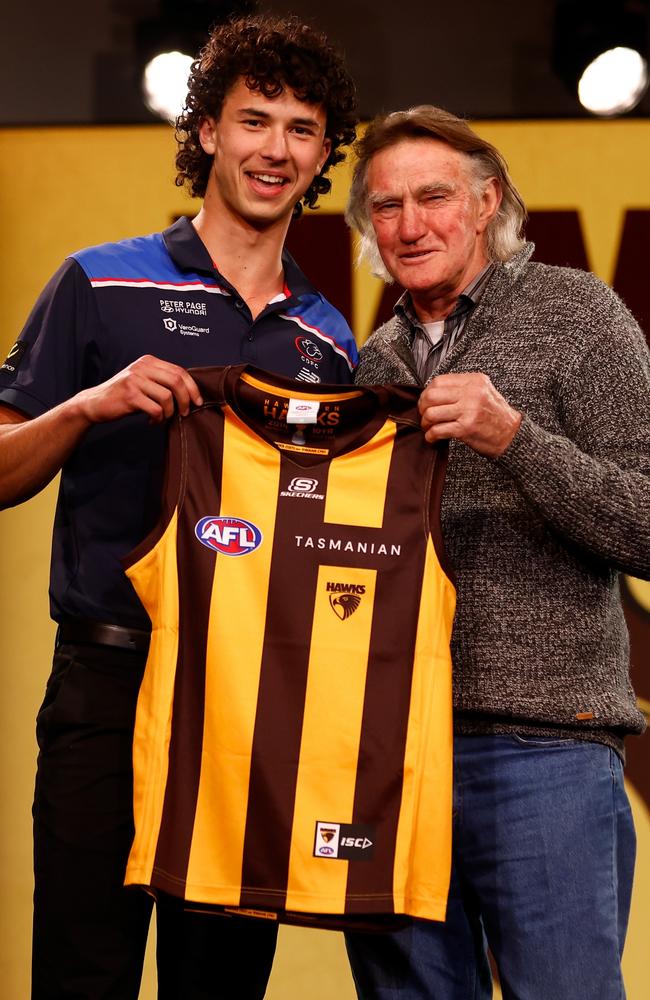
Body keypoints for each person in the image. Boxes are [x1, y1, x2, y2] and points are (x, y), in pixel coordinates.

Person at [0, 14, 357, 999]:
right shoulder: (97, 279)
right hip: (108, 682)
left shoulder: (328, 343)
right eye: (253, 120)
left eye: (300, 128)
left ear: (326, 153)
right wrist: (88, 401)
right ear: (205, 130)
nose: (274, 149)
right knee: (83, 973)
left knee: (221, 984)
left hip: (250, 701)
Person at [343, 105, 650, 1000]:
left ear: (488, 203)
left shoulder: (579, 313)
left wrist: (513, 436)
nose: (409, 224)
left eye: (432, 197)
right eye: (386, 206)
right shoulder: (374, 366)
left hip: (546, 752)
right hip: (396, 761)